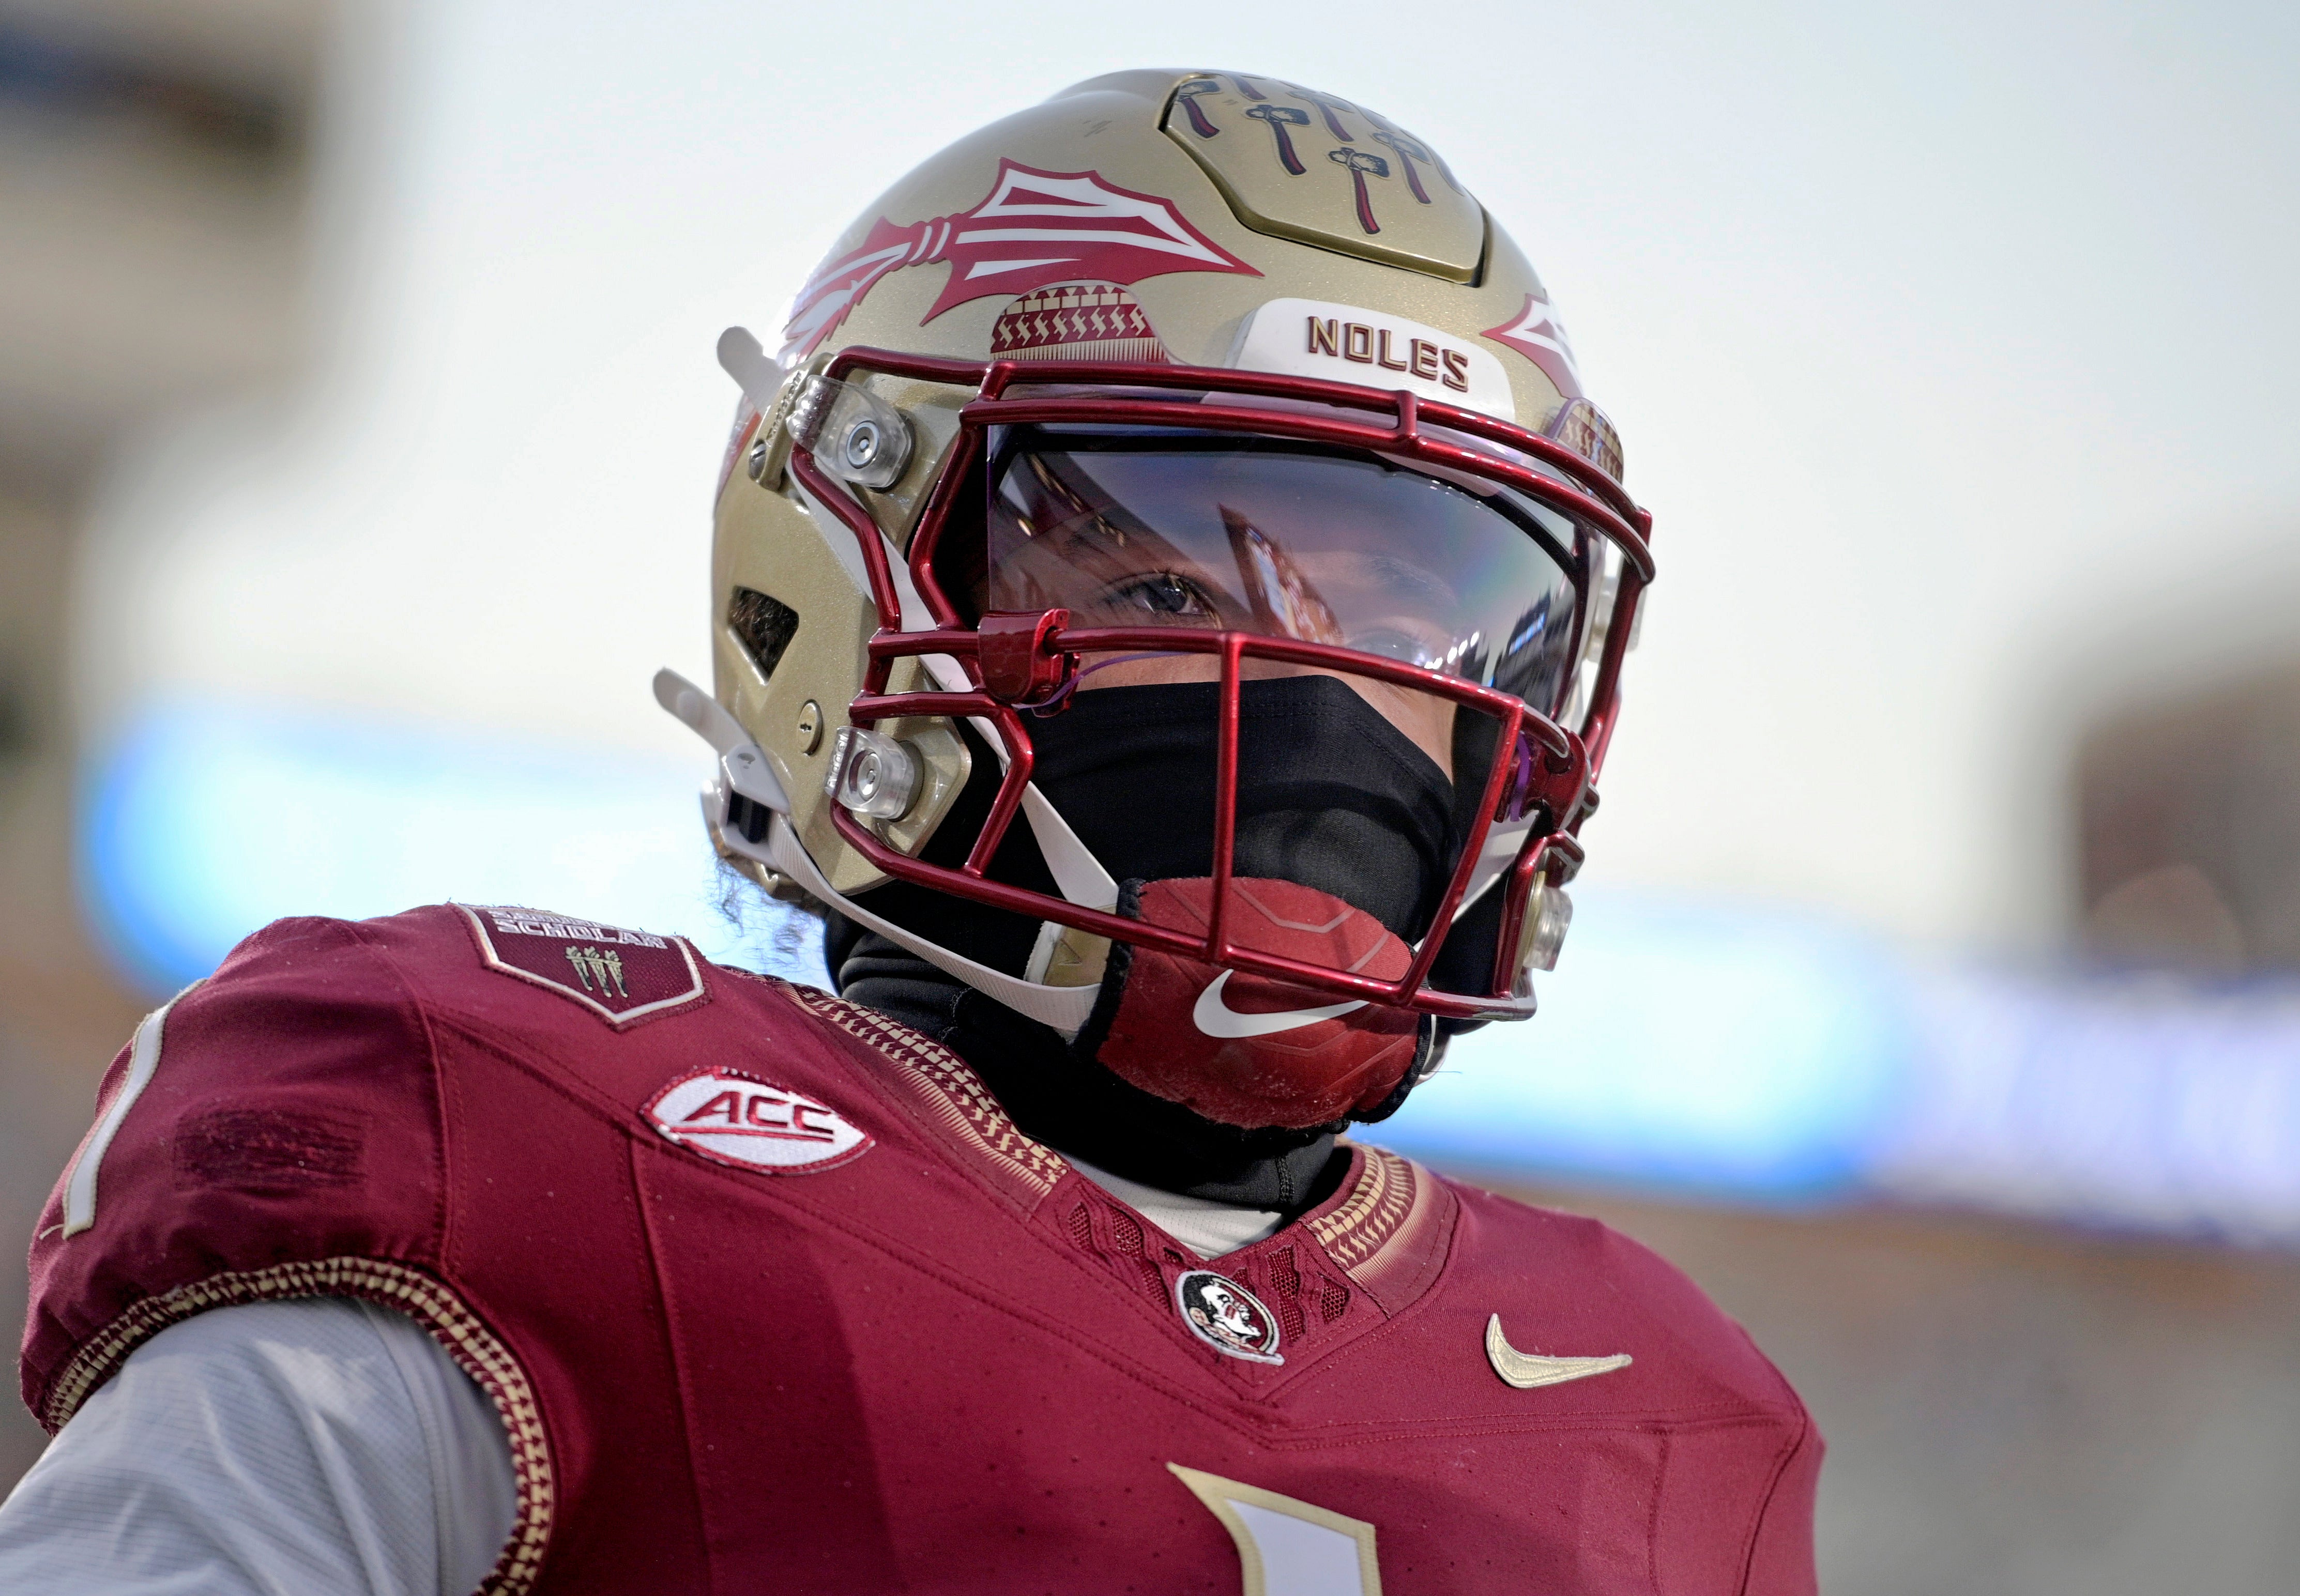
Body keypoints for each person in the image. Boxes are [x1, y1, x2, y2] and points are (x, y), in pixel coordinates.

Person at [3, 69, 1820, 1594]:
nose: (1328, 694)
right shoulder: (526, 1155)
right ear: (848, 575)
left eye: (1422, 616)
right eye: (1164, 566)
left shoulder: (1669, 1416)